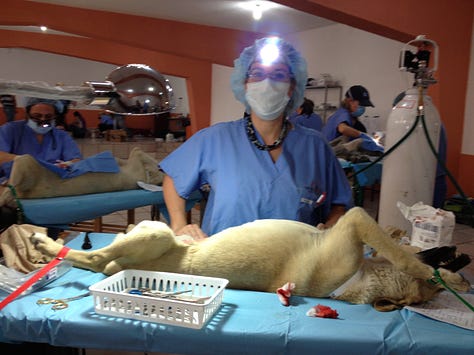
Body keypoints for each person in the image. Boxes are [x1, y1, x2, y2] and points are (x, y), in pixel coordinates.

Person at [159, 37, 353, 240]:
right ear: (244, 84)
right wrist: (179, 224)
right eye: (257, 74)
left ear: (291, 87)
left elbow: (339, 203)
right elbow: (174, 177)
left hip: (294, 264)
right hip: (225, 262)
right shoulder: (216, 140)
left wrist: (331, 229)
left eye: (278, 75)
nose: (267, 83)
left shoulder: (315, 146)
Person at [0, 97, 82, 180]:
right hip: (15, 182)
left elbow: (76, 160)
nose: (43, 120)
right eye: (37, 116)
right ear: (27, 115)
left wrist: (67, 164)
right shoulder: (10, 130)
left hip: (51, 183)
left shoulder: (61, 136)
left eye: (48, 116)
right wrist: (24, 162)